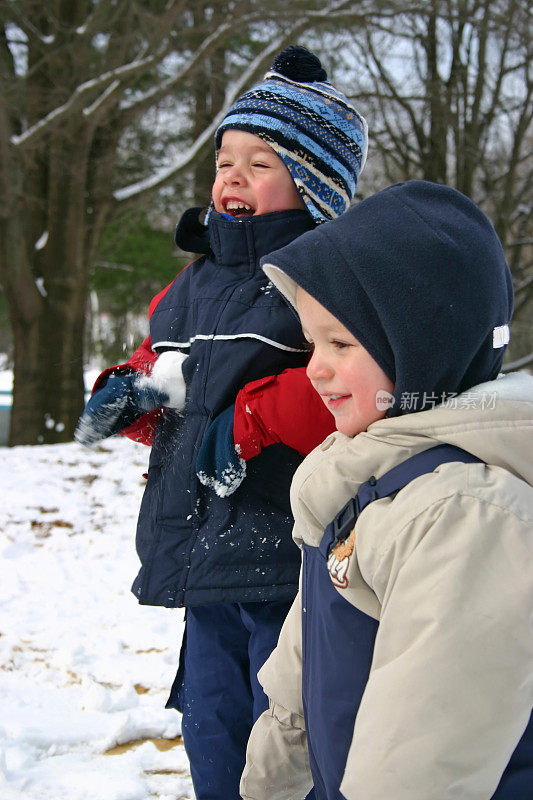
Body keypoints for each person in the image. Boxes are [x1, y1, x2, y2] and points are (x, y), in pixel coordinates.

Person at [75, 45, 368, 800]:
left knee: (295, 727)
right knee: (211, 722)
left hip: (291, 555)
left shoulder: (325, 273)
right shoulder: (189, 287)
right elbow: (171, 382)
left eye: (260, 162)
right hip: (205, 552)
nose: (231, 176)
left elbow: (351, 385)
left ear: (312, 185)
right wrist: (130, 397)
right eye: (224, 160)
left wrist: (254, 419)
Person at [235, 180, 533, 800]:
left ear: (424, 347)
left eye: (341, 343)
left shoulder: (463, 515)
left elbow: (421, 766)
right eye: (313, 341)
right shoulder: (365, 485)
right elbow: (302, 674)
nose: (315, 366)